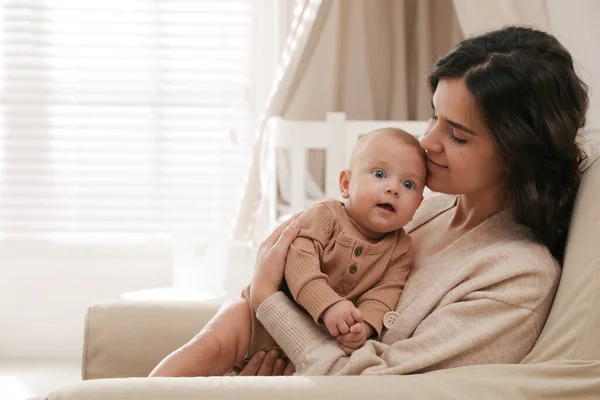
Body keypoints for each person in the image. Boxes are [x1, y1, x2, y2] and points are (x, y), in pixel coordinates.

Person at [239, 25, 589, 376]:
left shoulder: (517, 279)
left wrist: (267, 299)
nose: (426, 142)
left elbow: (375, 387)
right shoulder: (422, 208)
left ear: (514, 154)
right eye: (435, 116)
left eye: (457, 135)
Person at [149, 128, 428, 377]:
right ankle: (145, 390)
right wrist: (329, 305)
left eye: (408, 184)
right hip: (253, 321)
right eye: (379, 174)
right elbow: (299, 264)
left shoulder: (401, 248)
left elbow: (385, 294)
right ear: (346, 184)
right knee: (207, 352)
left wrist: (365, 326)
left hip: (311, 344)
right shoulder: (325, 215)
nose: (393, 188)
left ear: (418, 204)